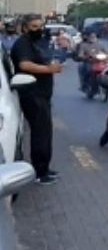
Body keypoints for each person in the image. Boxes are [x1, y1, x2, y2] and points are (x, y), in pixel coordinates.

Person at [10, 14, 63, 185]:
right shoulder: (23, 43)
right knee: (40, 132)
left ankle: (44, 168)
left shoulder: (37, 43)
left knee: (45, 131)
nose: (38, 30)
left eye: (40, 26)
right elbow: (24, 65)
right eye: (34, 26)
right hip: (32, 94)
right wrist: (48, 69)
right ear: (25, 28)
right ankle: (39, 172)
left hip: (42, 94)